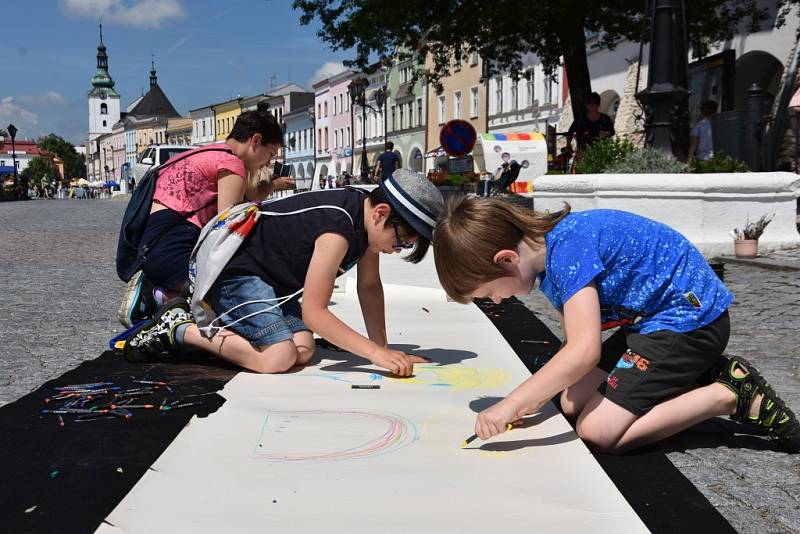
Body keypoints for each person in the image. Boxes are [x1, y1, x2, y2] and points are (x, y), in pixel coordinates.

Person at [432, 196, 800, 453]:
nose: (496, 301)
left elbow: (585, 350)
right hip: (658, 323)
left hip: (691, 323)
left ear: (507, 259)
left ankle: (730, 393)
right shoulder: (549, 256)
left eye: (489, 292)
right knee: (571, 400)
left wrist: (512, 403)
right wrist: (536, 398)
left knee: (597, 431)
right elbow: (576, 345)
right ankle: (690, 374)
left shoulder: (568, 253)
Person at [125, 169, 444, 377]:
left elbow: (370, 287)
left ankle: (214, 320)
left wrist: (384, 348)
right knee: (278, 357)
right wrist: (374, 353)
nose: (394, 249)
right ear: (381, 213)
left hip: (272, 282)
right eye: (400, 241)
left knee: (303, 351)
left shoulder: (365, 219)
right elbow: (315, 312)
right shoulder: (338, 229)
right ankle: (179, 327)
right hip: (235, 272)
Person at [118, 102, 283, 327]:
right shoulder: (232, 164)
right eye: (270, 154)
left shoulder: (207, 152)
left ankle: (161, 293)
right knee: (231, 294)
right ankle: (156, 296)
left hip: (151, 244)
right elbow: (228, 229)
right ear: (255, 140)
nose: (268, 162)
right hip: (176, 247)